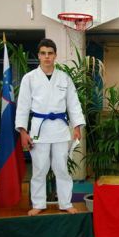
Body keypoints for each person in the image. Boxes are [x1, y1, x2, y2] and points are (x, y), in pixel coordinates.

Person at [15, 38, 86, 216]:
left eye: (50, 53)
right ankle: (38, 203)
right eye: (43, 53)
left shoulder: (64, 78)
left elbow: (73, 104)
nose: (47, 57)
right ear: (38, 56)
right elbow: (23, 106)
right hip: (39, 129)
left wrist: (77, 125)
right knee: (39, 168)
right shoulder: (29, 78)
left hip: (61, 129)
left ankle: (65, 202)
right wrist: (23, 131)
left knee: (61, 168)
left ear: (55, 55)